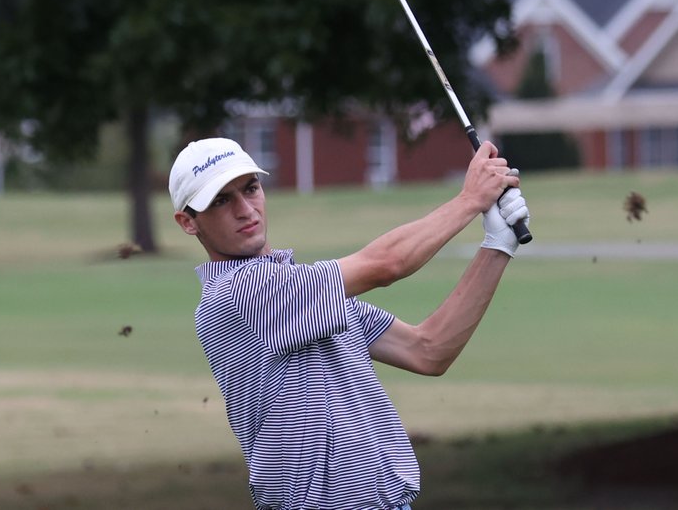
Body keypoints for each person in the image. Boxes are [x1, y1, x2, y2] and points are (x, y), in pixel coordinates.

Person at [168, 136, 530, 510]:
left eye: (251, 188)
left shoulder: (303, 295)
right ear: (188, 222)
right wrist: (470, 200)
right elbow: (386, 265)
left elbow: (428, 350)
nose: (246, 210)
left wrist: (497, 245)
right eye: (221, 201)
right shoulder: (241, 292)